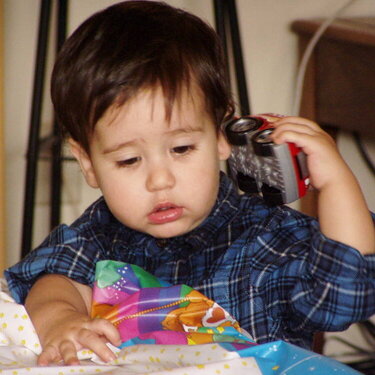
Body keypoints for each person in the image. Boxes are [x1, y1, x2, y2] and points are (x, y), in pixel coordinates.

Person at [5, 0, 375, 367]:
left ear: (219, 133)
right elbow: (51, 280)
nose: (160, 180)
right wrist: (61, 321)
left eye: (181, 148)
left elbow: (346, 294)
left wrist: (337, 182)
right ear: (87, 161)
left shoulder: (266, 238)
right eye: (129, 160)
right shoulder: (97, 237)